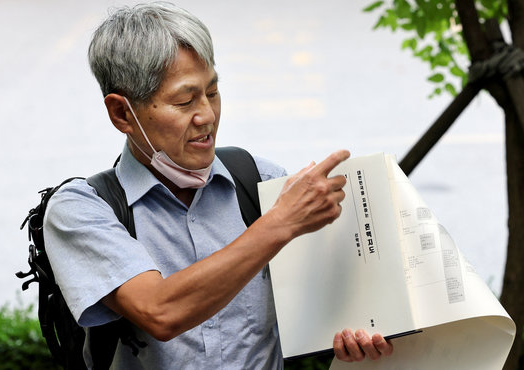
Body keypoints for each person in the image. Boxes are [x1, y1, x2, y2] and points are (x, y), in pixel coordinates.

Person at [44, 2, 393, 369]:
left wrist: (353, 335)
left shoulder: (258, 180)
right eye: (184, 100)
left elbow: (320, 307)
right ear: (122, 113)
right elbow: (159, 312)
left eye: (212, 92)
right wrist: (278, 224)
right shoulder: (82, 209)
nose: (207, 116)